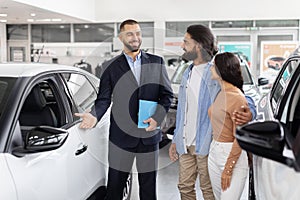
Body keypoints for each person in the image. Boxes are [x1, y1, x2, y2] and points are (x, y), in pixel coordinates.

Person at [75, 19, 173, 200]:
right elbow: (104, 98)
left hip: (149, 135)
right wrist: (94, 116)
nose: (135, 38)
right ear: (121, 37)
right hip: (121, 137)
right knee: (115, 187)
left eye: (138, 33)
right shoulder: (110, 66)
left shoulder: (157, 62)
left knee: (148, 189)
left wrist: (157, 118)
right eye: (130, 34)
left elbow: (166, 95)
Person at [168, 24, 256, 200]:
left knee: (209, 191)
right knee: (184, 187)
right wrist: (176, 139)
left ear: (198, 45)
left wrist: (250, 112)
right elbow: (182, 112)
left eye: (186, 42)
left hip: (207, 143)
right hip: (186, 142)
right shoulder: (187, 73)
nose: (182, 46)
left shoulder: (216, 71)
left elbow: (240, 95)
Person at [208, 52, 249, 199]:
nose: (210, 68)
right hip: (215, 151)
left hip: (232, 154)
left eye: (213, 66)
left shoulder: (237, 98)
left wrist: (228, 168)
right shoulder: (221, 92)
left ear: (221, 70)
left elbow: (239, 137)